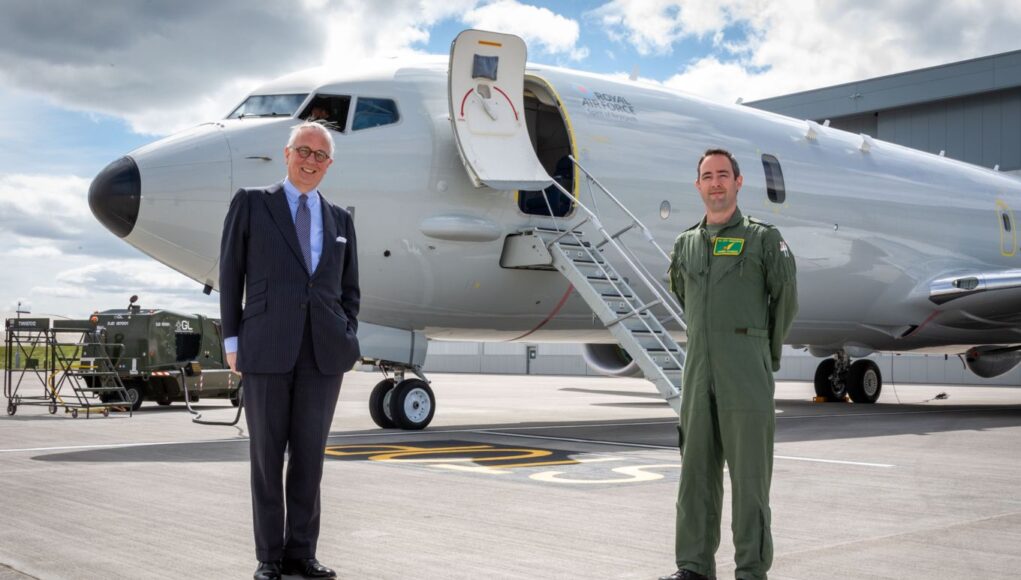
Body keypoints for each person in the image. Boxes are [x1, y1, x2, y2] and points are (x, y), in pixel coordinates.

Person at [220, 121, 360, 580]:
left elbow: (349, 289)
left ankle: (302, 552)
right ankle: (269, 557)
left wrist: (346, 331)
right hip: (265, 347)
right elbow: (231, 275)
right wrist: (232, 339)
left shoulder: (340, 219)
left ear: (329, 164)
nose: (311, 161)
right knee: (266, 459)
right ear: (287, 154)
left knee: (309, 458)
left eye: (320, 155)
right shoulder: (252, 203)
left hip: (322, 353)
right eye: (304, 151)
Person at [660, 149, 798, 580]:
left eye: (723, 175)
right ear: (698, 186)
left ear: (738, 183)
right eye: (707, 176)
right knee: (695, 477)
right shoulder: (686, 244)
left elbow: (786, 302)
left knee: (750, 482)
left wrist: (762, 352)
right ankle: (694, 568)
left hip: (746, 374)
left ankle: (751, 570)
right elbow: (683, 296)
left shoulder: (763, 239)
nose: (715, 183)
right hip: (699, 374)